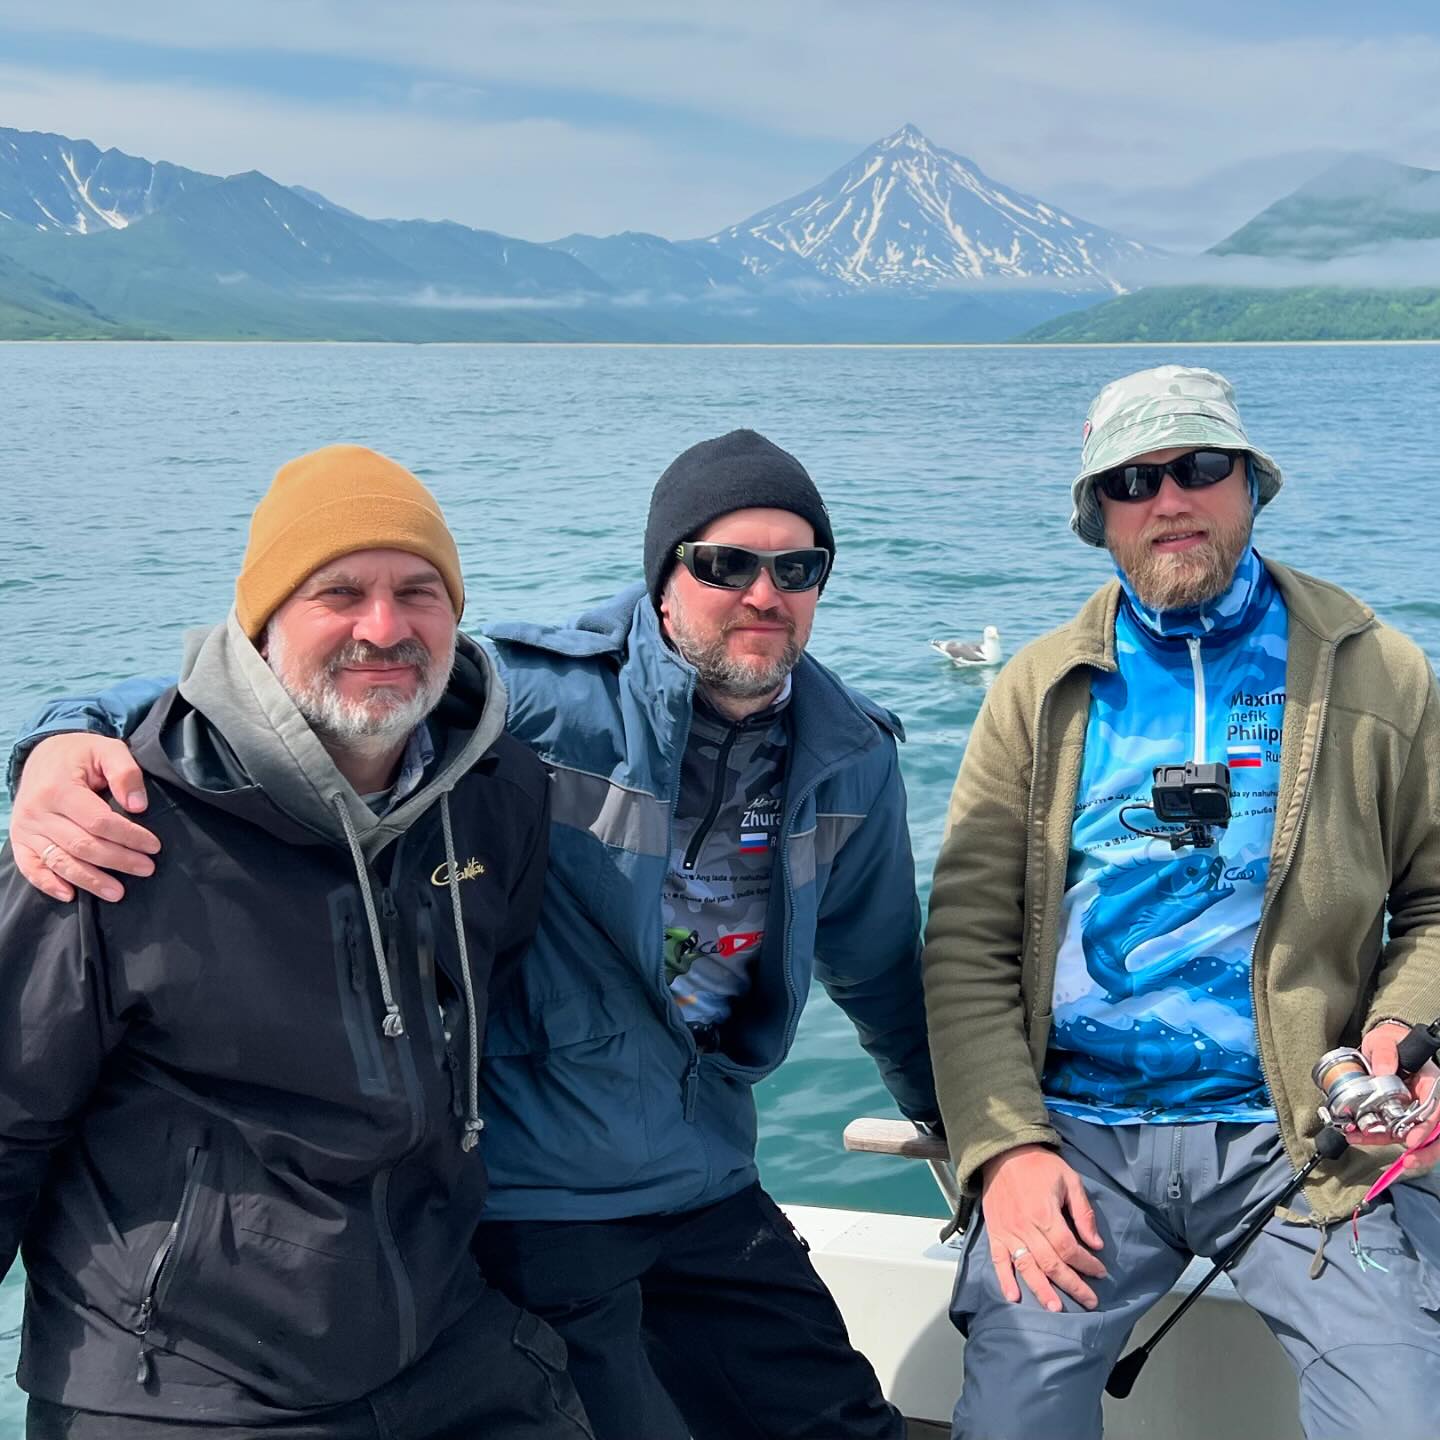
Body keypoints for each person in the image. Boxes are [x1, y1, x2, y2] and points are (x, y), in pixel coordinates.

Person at [7, 429, 938, 1440]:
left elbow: (883, 969)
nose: (764, 592)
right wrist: (64, 734)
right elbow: (284, 689)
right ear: (664, 577)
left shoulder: (847, 753)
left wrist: (985, 1141)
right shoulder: (542, 706)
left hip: (703, 1177)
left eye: (798, 568)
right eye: (724, 565)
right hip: (533, 1202)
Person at [0, 445, 589, 1438]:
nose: (384, 627)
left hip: (438, 1339)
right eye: (338, 593)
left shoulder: (499, 797)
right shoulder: (116, 827)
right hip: (182, 1378)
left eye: (419, 591)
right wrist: (58, 732)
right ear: (266, 618)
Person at [922, 365, 1440, 1440]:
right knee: (1014, 1415)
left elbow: (1435, 907)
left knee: (1401, 1409)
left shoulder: (1380, 670)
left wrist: (1399, 1034)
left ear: (1250, 482)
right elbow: (966, 943)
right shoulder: (1038, 689)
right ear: (1097, 513)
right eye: (1130, 479)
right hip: (1079, 1143)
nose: (1168, 498)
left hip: (1307, 1139)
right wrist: (1004, 1148)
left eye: (1200, 467)